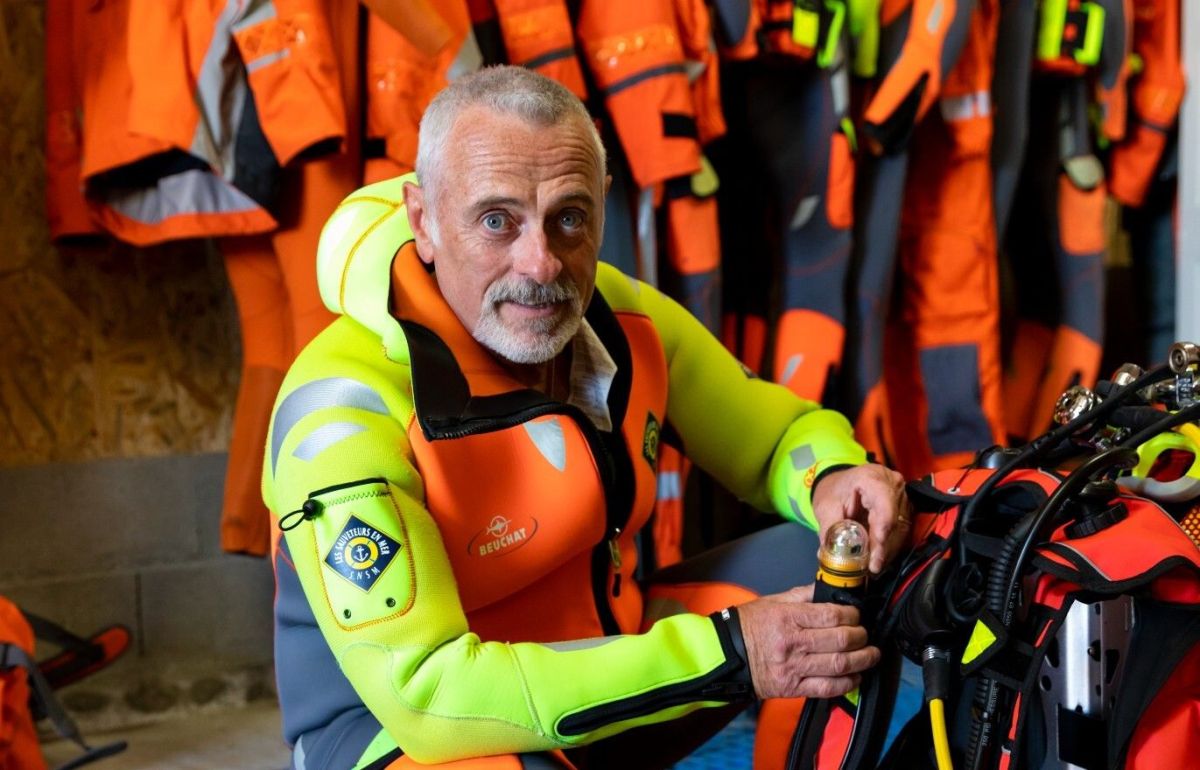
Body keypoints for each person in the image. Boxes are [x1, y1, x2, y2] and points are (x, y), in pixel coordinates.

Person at [263, 65, 911, 769]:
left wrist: (835, 477)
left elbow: (778, 435)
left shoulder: (622, 317)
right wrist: (733, 651)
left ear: (602, 206)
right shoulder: (339, 415)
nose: (541, 265)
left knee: (851, 561)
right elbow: (428, 696)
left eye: (568, 217)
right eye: (495, 221)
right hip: (412, 733)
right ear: (424, 221)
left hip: (603, 657)